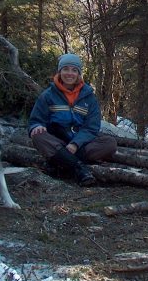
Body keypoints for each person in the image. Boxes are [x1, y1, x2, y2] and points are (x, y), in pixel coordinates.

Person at [28, 53, 117, 186]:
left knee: (109, 143)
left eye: (74, 70)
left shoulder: (89, 97)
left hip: (81, 144)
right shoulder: (48, 95)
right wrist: (36, 126)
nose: (69, 73)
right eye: (66, 69)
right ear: (60, 71)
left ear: (79, 74)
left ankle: (61, 161)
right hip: (57, 142)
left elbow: (91, 127)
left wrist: (75, 144)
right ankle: (79, 168)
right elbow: (35, 120)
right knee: (38, 136)